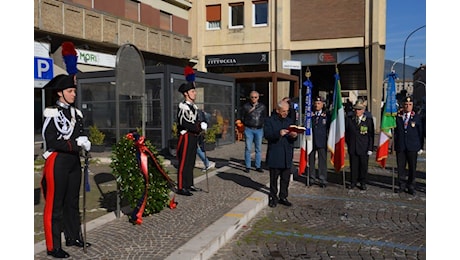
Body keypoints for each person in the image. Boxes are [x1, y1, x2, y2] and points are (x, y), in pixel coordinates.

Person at [41, 74, 92, 258]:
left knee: (72, 201)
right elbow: (51, 139)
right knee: (55, 204)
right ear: (60, 93)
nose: (74, 94)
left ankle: (73, 236)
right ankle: (53, 246)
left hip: (73, 161)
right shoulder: (52, 112)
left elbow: (80, 134)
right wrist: (76, 144)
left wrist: (86, 141)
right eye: (70, 91)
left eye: (74, 90)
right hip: (58, 161)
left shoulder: (76, 113)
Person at [264, 100, 298, 207]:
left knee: (285, 178)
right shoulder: (270, 120)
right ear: (278, 110)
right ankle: (273, 197)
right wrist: (278, 133)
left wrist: (294, 136)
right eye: (283, 111)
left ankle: (283, 196)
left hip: (287, 153)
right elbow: (267, 135)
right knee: (274, 179)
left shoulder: (289, 121)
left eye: (287, 111)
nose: (285, 113)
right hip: (275, 153)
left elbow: (293, 137)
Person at [176, 81, 207, 196]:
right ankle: (181, 186)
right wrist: (198, 127)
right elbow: (184, 122)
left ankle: (189, 184)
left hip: (193, 136)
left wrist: (201, 125)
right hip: (186, 136)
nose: (195, 93)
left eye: (194, 91)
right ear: (186, 93)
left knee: (191, 161)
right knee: (184, 162)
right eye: (192, 91)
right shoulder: (183, 107)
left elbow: (195, 120)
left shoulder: (193, 107)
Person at [394, 96, 424, 195]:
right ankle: (401, 185)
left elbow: (420, 133)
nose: (408, 106)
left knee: (412, 167)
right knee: (401, 167)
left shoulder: (417, 118)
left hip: (413, 146)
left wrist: (420, 147)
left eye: (410, 104)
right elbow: (395, 132)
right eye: (406, 104)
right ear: (403, 105)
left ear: (412, 106)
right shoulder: (398, 117)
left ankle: (411, 186)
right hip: (401, 146)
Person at [345, 99, 375, 190]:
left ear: (363, 110)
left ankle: (363, 182)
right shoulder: (350, 119)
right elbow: (346, 133)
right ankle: (353, 182)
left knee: (363, 166)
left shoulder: (368, 120)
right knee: (353, 166)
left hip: (364, 147)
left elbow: (371, 135)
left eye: (359, 109)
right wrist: (348, 144)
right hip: (353, 146)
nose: (357, 111)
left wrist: (370, 148)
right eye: (356, 109)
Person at [242, 90, 267, 173]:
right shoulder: (246, 106)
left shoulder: (262, 107)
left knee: (258, 148)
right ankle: (248, 166)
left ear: (258, 97)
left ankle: (258, 166)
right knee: (248, 148)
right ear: (250, 97)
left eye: (255, 97)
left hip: (259, 129)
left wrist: (262, 125)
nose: (254, 99)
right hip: (249, 129)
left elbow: (264, 117)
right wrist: (246, 122)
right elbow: (242, 117)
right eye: (252, 97)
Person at [308, 96, 329, 188]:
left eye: (319, 103)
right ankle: (312, 177)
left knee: (322, 161)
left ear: (323, 104)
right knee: (311, 160)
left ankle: (322, 178)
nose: (317, 105)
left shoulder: (326, 115)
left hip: (322, 141)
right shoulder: (311, 115)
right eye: (316, 103)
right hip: (311, 141)